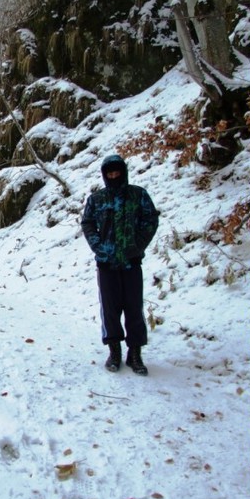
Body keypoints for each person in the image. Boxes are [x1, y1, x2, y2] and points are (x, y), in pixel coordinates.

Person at [81, 154, 159, 375]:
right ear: (105, 175)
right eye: (109, 173)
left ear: (123, 172)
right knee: (110, 309)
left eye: (116, 172)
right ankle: (114, 351)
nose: (113, 176)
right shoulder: (96, 199)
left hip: (132, 262)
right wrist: (99, 247)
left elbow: (150, 219)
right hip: (106, 264)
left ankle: (135, 353)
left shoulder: (138, 195)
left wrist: (138, 244)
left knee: (134, 308)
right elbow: (87, 224)